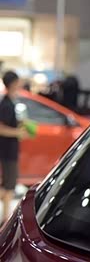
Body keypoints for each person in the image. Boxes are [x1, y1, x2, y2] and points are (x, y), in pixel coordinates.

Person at [0, 71, 27, 221]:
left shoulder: (10, 102)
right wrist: (18, 132)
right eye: (18, 81)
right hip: (7, 150)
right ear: (13, 83)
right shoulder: (6, 104)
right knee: (9, 185)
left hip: (9, 149)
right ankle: (6, 218)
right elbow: (1, 128)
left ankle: (5, 217)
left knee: (8, 185)